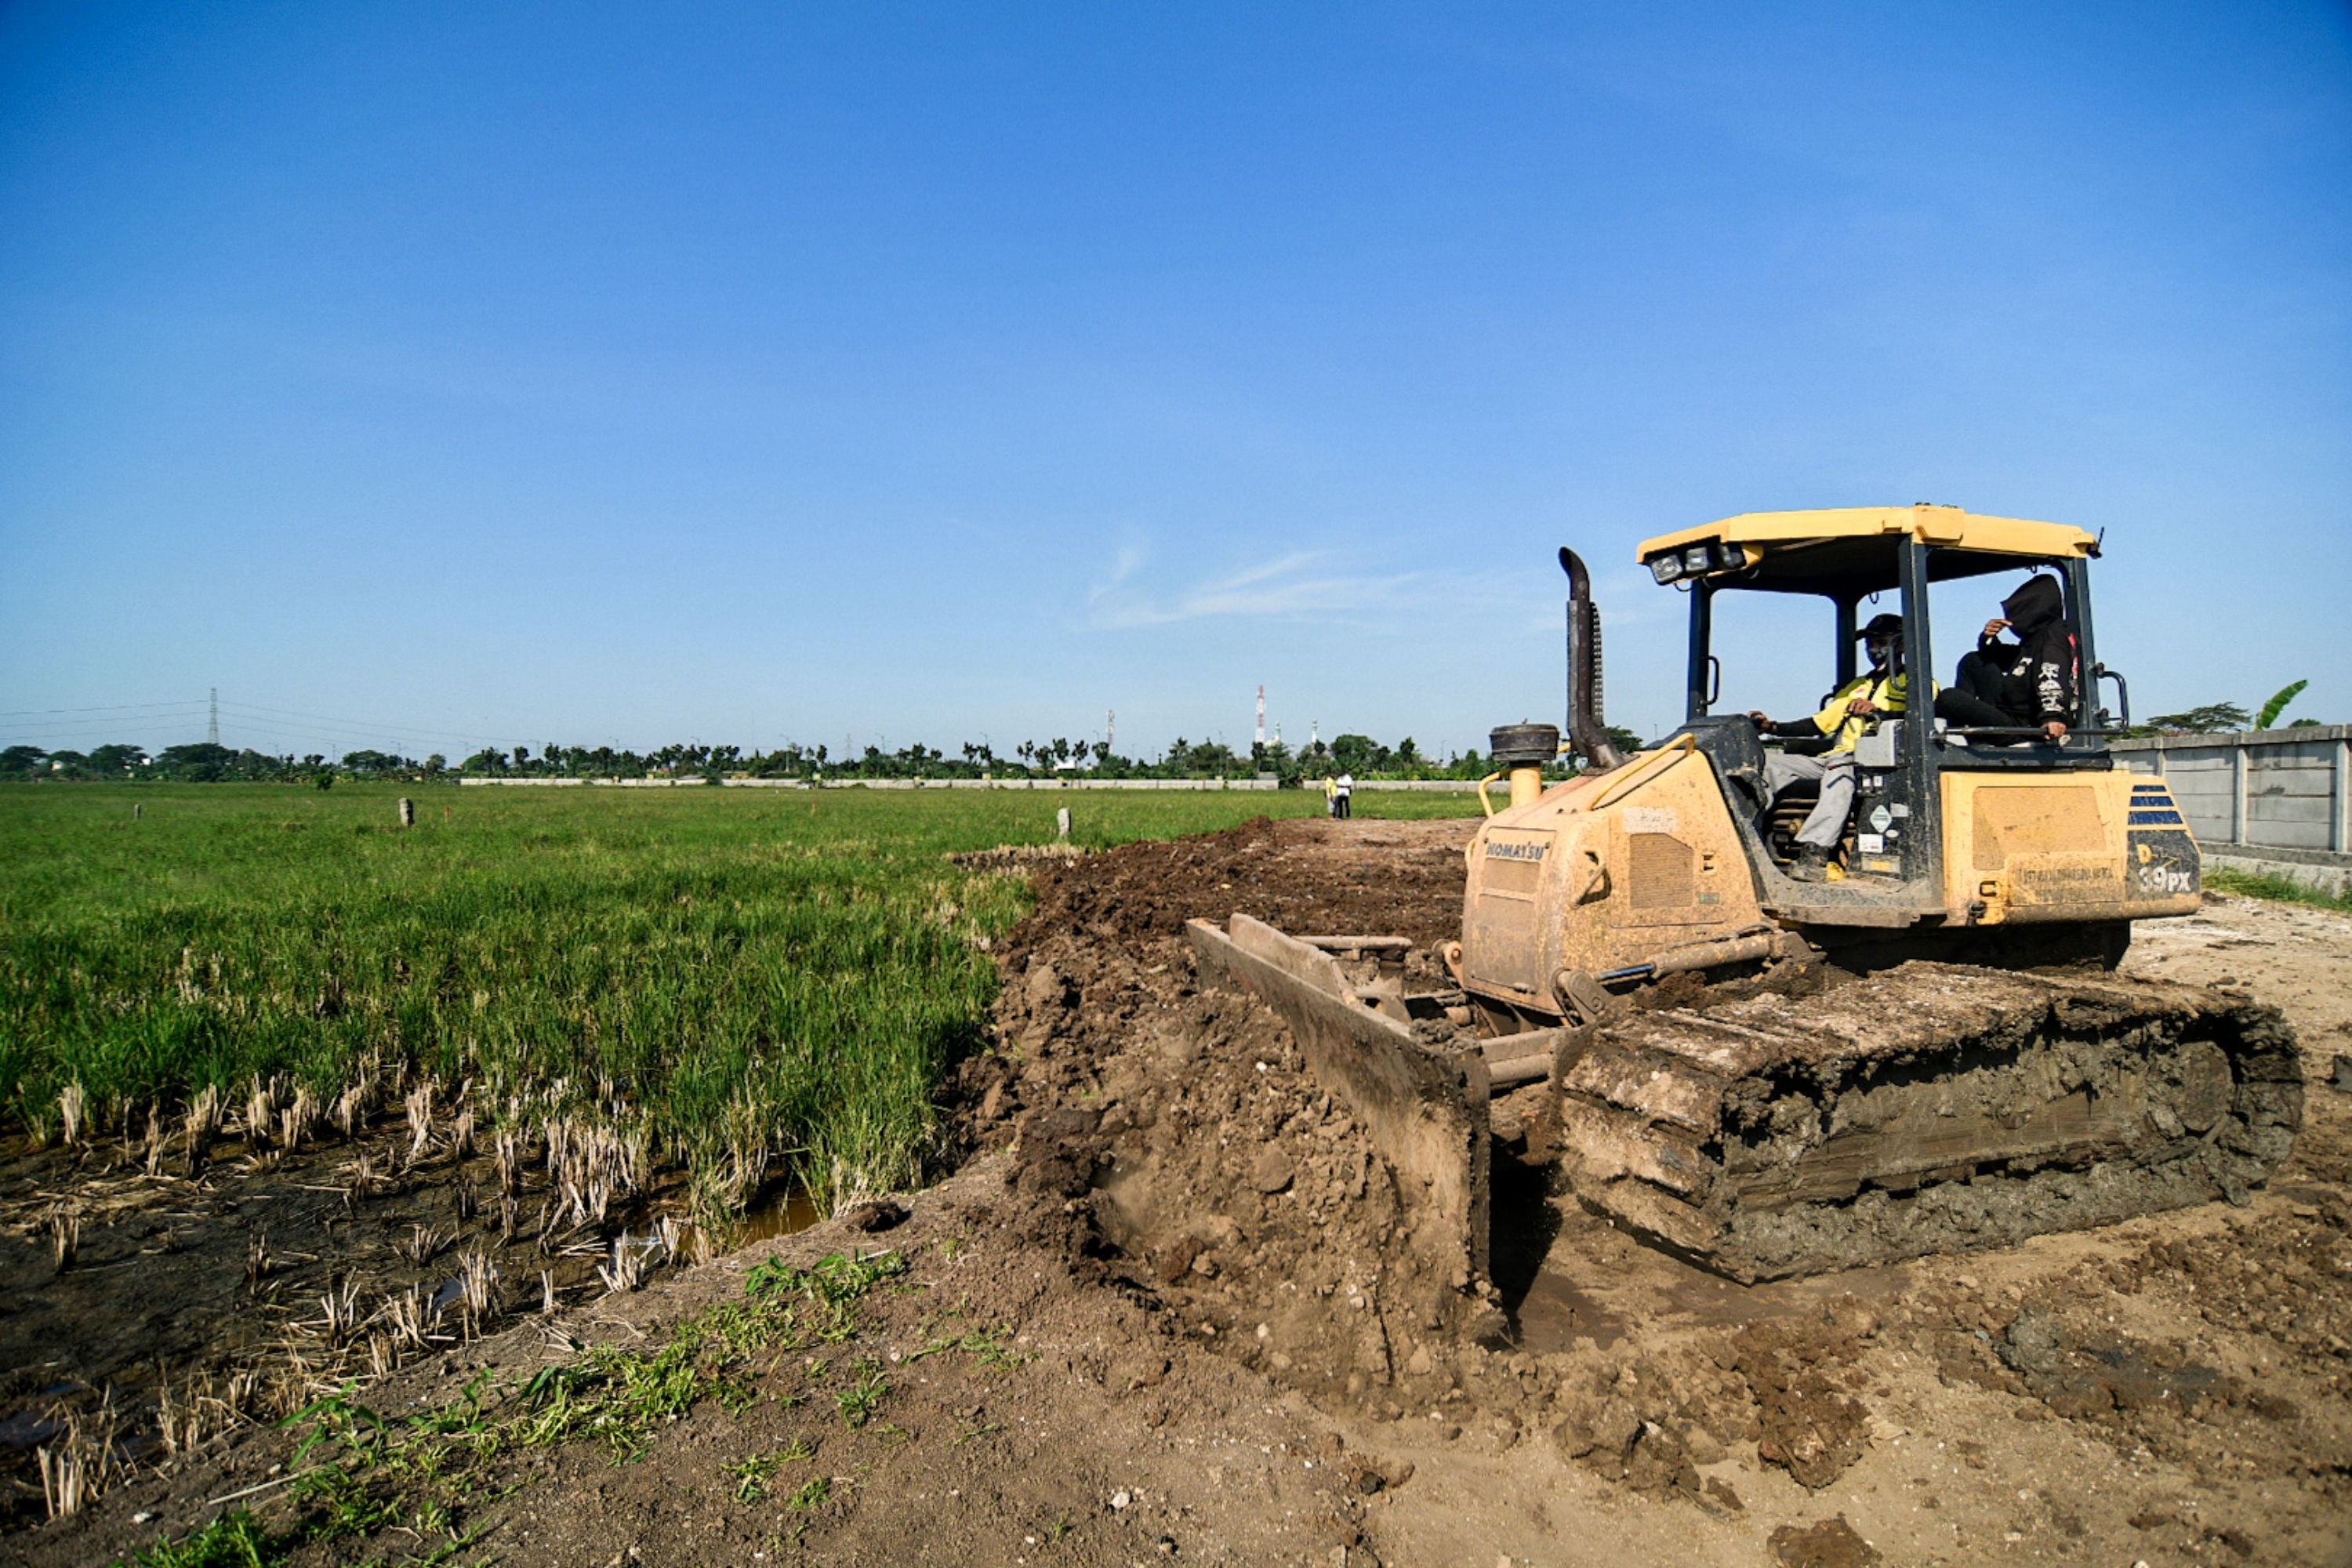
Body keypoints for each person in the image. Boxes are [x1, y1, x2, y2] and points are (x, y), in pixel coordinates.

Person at [1748, 612, 1915, 883]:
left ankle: (1814, 852)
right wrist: (1772, 727)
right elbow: (1820, 724)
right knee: (1766, 764)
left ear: (1902, 645)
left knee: (1841, 768)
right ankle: (1749, 836)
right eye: (1870, 644)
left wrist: (1879, 713)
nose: (1874, 650)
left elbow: (1916, 721)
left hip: (1877, 762)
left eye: (1881, 642)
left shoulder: (1917, 685)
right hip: (1833, 756)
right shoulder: (1858, 685)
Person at [1933, 575, 2076, 741]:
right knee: (1974, 661)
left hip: (2026, 728)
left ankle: (1971, 735)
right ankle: (1971, 731)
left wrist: (2053, 717)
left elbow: (2052, 673)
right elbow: (2009, 660)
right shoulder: (2035, 640)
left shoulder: (2052, 638)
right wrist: (1989, 638)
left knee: (1949, 698)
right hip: (2010, 712)